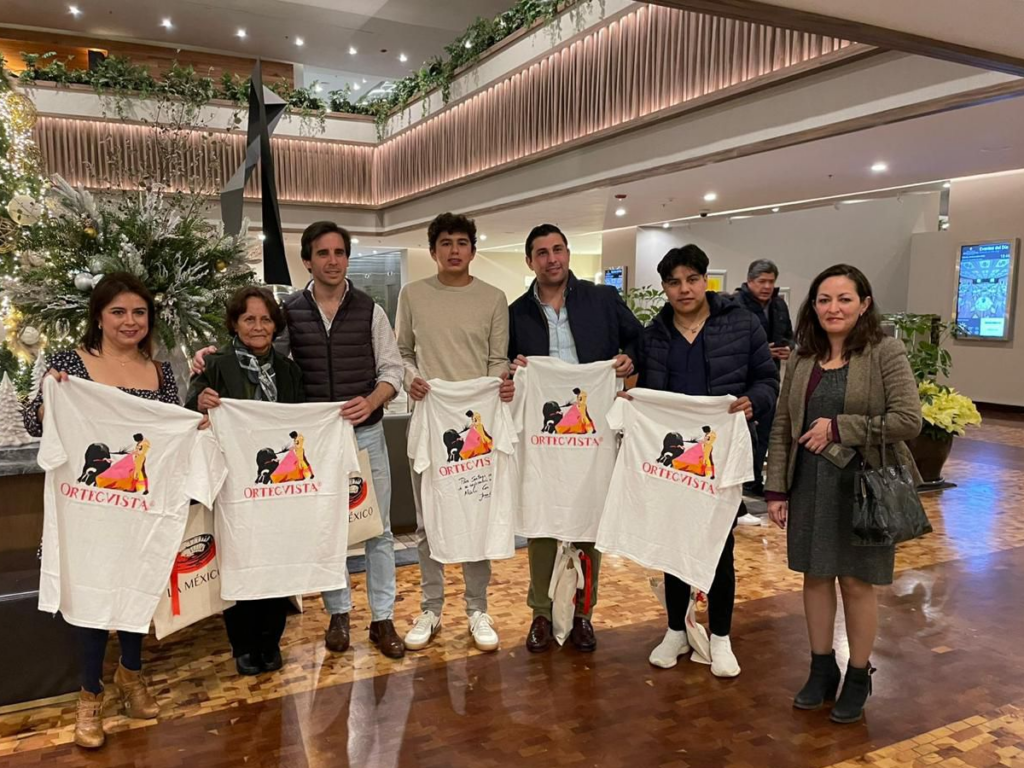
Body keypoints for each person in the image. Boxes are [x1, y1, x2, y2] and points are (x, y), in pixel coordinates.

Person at [193, 222, 406, 660]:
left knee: (378, 531)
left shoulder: (371, 311)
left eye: (339, 252)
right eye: (322, 253)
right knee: (328, 531)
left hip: (364, 435)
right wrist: (211, 358)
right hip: (316, 445)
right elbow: (261, 350)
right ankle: (339, 614)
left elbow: (393, 371)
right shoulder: (290, 310)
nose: (332, 260)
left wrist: (373, 399)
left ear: (347, 257)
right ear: (307, 260)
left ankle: (383, 617)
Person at [23, 273, 179, 750]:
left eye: (139, 312)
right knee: (91, 599)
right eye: (118, 312)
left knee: (138, 590)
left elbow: (175, 432)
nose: (129, 321)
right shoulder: (70, 364)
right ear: (98, 316)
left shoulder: (160, 371)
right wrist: (53, 396)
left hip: (142, 506)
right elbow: (35, 423)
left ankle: (131, 674)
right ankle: (90, 694)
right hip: (90, 507)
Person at [766, 264, 921, 725]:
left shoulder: (884, 351)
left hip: (863, 487)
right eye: (824, 300)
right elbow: (783, 425)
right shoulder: (801, 358)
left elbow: (909, 420)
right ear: (813, 306)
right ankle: (820, 669)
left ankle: (858, 674)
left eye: (844, 299)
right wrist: (776, 487)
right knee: (815, 577)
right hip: (810, 482)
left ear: (864, 304)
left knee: (856, 582)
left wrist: (839, 426)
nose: (833, 308)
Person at [637, 245, 778, 677]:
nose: (684, 289)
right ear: (664, 288)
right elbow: (648, 393)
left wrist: (755, 401)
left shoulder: (741, 323)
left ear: (705, 281)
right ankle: (676, 629)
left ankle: (721, 638)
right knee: (674, 543)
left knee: (720, 545)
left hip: (723, 454)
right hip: (674, 459)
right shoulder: (655, 334)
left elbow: (767, 380)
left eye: (692, 279)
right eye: (674, 282)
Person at [508, 223, 641, 653]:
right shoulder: (516, 313)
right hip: (544, 439)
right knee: (543, 522)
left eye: (558, 249)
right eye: (542, 253)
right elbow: (503, 367)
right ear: (530, 261)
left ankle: (583, 614)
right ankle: (541, 614)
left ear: (567, 253)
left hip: (593, 430)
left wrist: (627, 360)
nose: (552, 259)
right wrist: (513, 370)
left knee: (588, 521)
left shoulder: (602, 299)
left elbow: (640, 340)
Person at [397, 212, 514, 652]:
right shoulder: (412, 295)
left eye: (461, 242)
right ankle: (430, 607)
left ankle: (477, 608)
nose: (453, 250)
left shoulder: (493, 297)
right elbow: (402, 352)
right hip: (429, 423)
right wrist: (410, 378)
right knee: (429, 518)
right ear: (432, 250)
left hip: (476, 430)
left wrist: (495, 386)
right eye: (445, 242)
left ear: (472, 250)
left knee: (476, 515)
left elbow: (496, 359)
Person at [185, 286, 305, 677]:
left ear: (276, 324)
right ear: (235, 324)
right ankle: (243, 643)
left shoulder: (288, 371)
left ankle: (270, 640)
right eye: (249, 319)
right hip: (233, 485)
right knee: (238, 561)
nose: (258, 326)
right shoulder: (214, 365)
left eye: (265, 319)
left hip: (277, 488)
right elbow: (189, 414)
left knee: (276, 560)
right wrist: (199, 403)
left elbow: (301, 422)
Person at [734, 259, 795, 513]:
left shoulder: (779, 305)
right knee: (747, 434)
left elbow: (790, 335)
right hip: (744, 382)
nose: (767, 286)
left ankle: (756, 479)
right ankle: (746, 482)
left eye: (771, 281)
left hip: (770, 380)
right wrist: (762, 352)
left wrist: (787, 349)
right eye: (762, 282)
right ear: (750, 282)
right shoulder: (736, 305)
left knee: (768, 433)